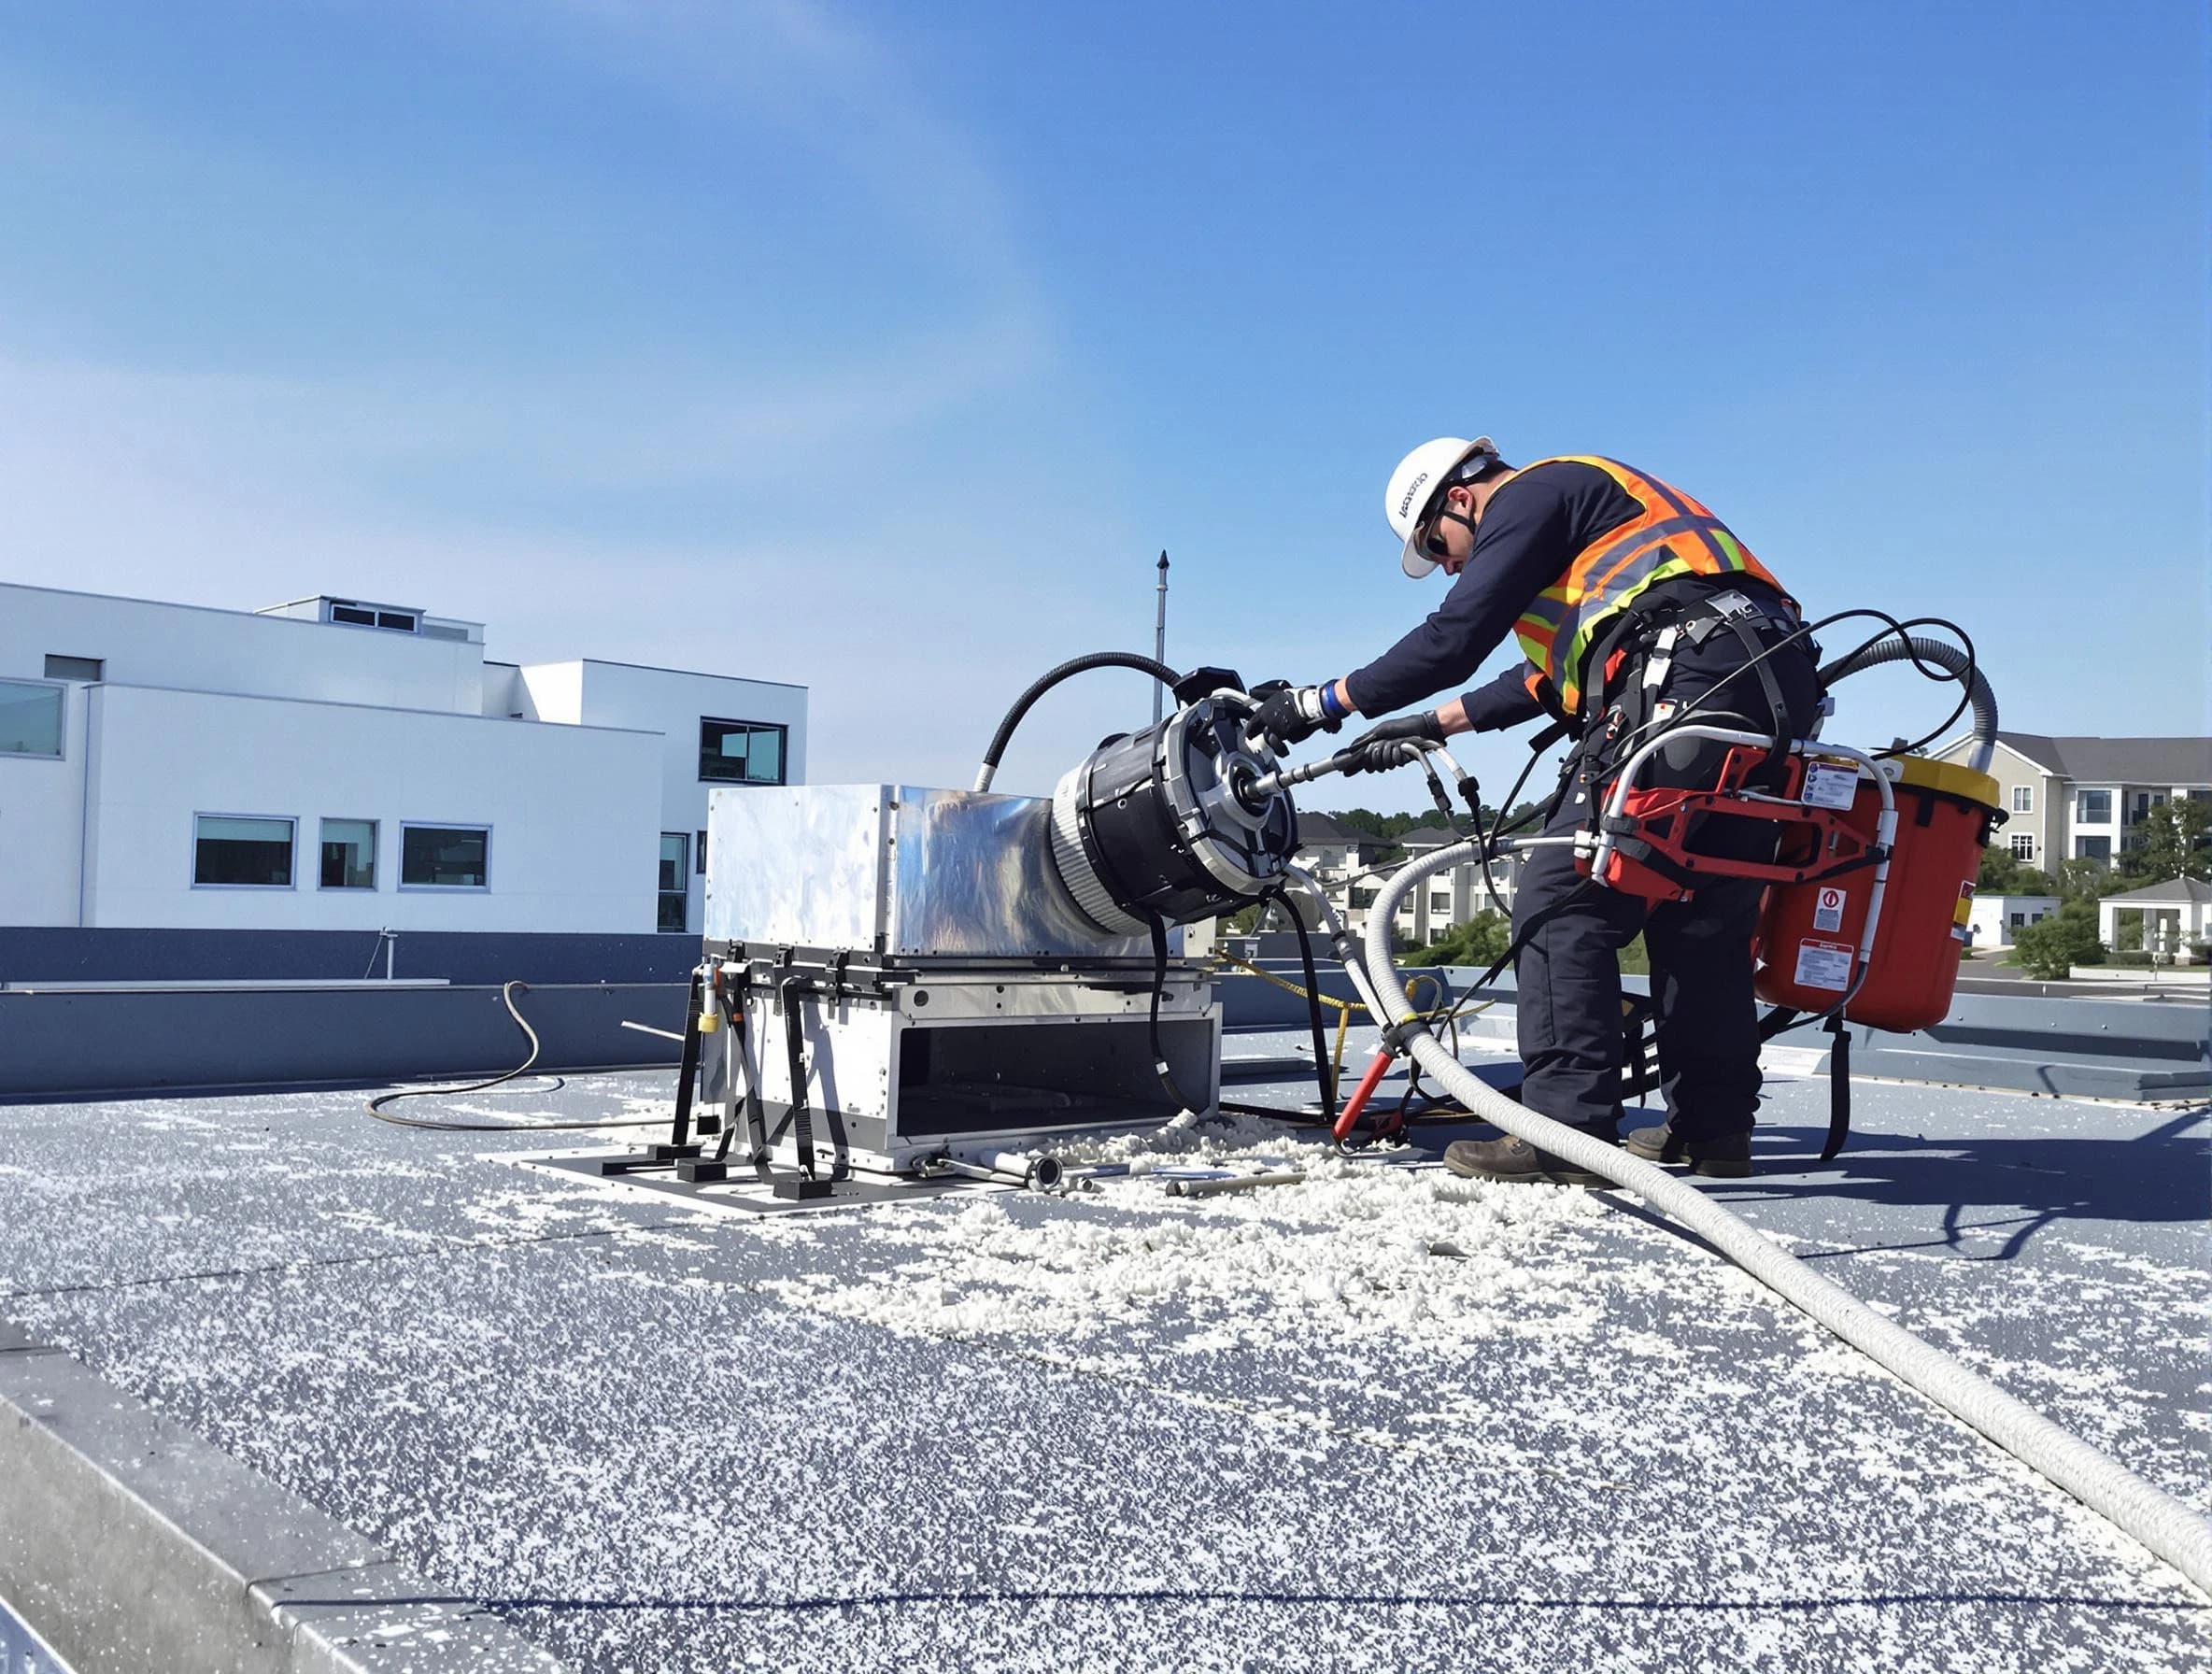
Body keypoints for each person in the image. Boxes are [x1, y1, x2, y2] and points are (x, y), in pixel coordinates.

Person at [1249, 438, 1822, 1184]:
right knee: (1703, 911)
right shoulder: (1606, 520)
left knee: (1564, 897)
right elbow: (1551, 677)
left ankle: (1564, 1129)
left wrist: (1319, 703)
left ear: (1459, 497)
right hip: (1766, 682)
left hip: (1681, 674)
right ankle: (1712, 1131)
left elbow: (1453, 640)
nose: (1450, 564)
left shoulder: (1530, 494)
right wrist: (1433, 724)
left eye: (1437, 545)